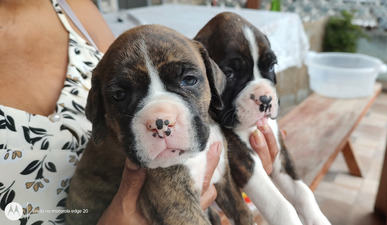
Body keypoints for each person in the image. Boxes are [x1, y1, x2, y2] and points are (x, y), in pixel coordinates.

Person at [0, 0, 279, 224]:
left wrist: (248, 173)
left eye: (188, 80)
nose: (161, 120)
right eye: (121, 95)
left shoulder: (74, 8)